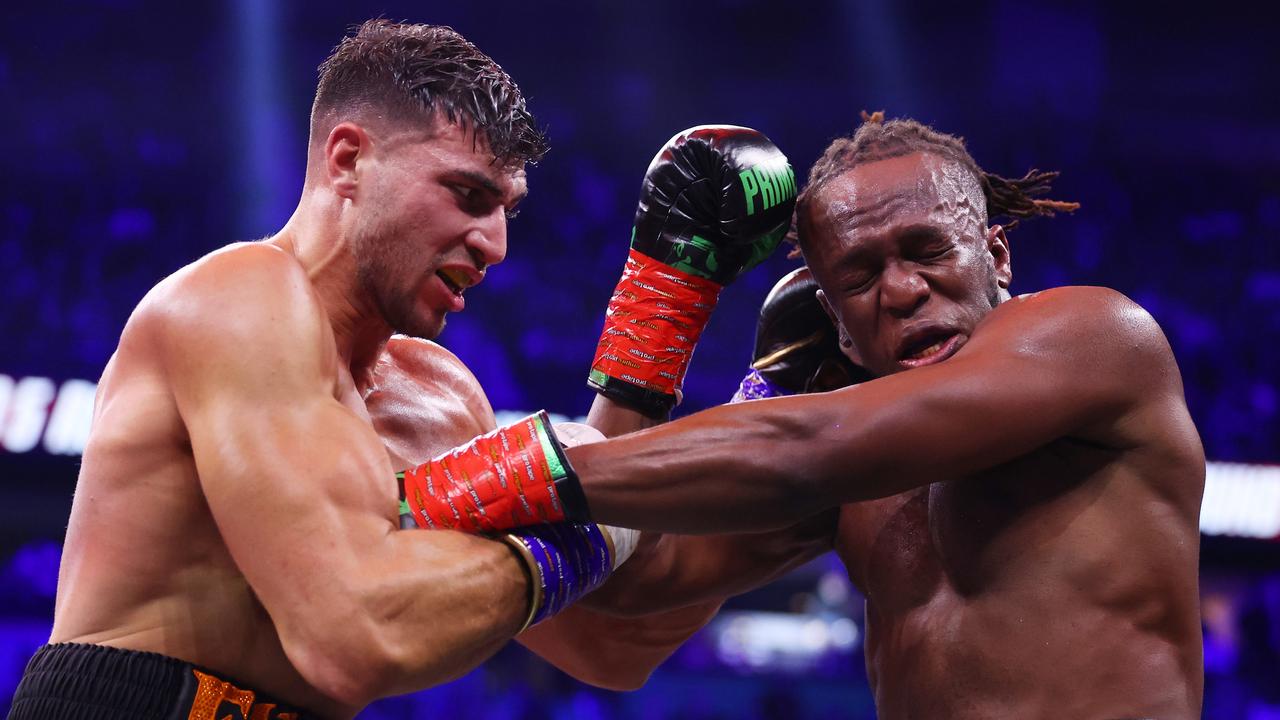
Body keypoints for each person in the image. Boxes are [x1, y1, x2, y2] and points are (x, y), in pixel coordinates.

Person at [7, 19, 794, 719]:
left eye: (505, 209)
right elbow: (352, 637)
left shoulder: (441, 398)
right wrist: (596, 512)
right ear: (349, 159)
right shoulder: (236, 301)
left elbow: (613, 644)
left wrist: (732, 364)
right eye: (467, 194)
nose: (494, 244)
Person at [407, 113, 1208, 718]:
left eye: (927, 250)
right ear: (830, 310)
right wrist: (661, 313)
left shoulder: (1094, 338)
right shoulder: (852, 462)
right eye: (860, 275)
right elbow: (631, 590)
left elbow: (813, 445)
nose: (899, 290)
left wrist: (463, 484)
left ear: (995, 255)